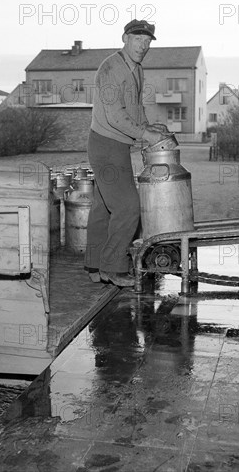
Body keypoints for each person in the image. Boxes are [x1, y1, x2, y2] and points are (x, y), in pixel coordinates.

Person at [85, 19, 166, 287]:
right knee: (129, 207)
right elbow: (115, 116)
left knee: (103, 208)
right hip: (106, 145)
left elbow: (135, 105)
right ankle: (113, 267)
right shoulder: (110, 68)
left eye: (147, 42)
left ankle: (95, 265)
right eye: (137, 40)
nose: (142, 46)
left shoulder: (137, 69)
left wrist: (146, 125)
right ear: (125, 38)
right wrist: (145, 135)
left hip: (117, 145)